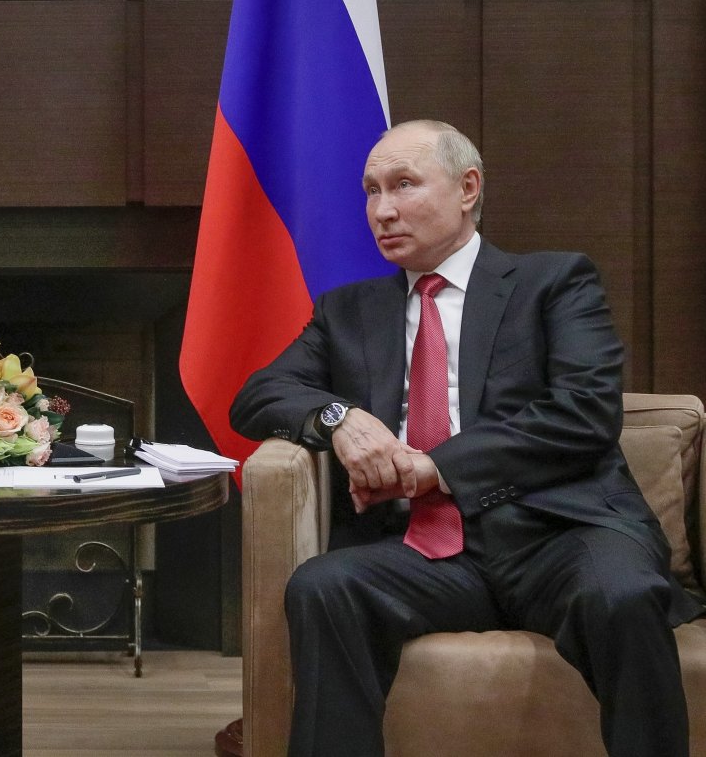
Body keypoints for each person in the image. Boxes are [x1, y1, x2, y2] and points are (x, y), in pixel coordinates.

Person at [230, 119, 699, 757]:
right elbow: (257, 397)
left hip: (562, 536)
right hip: (423, 552)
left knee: (622, 593)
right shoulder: (348, 311)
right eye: (370, 191)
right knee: (323, 584)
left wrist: (435, 467)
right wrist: (341, 419)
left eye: (402, 185)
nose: (382, 210)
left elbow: (585, 413)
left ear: (468, 187)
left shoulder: (553, 283)